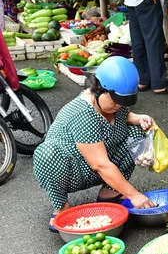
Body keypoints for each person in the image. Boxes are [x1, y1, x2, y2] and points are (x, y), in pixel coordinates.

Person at [33, 57, 157, 232]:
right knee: (46, 153)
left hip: (100, 164)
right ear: (98, 89)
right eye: (115, 100)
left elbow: (123, 116)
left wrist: (139, 118)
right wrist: (134, 195)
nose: (119, 106)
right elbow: (100, 164)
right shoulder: (83, 113)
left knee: (136, 131)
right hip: (72, 171)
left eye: (123, 101)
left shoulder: (114, 104)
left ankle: (110, 192)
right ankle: (61, 207)